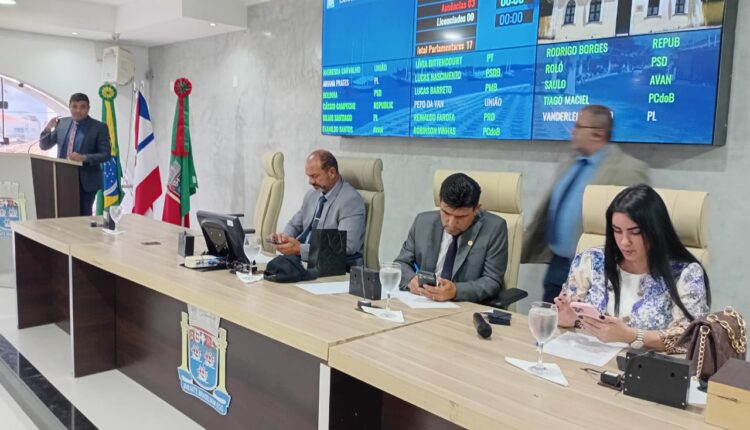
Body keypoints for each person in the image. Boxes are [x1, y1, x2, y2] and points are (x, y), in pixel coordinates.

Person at [555, 184, 710, 353]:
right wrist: (566, 318)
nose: (624, 242)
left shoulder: (685, 273)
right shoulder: (590, 260)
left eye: (635, 232)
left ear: (656, 230)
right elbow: (570, 316)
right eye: (617, 231)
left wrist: (630, 335)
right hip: (587, 357)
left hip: (644, 364)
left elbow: (690, 338)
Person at [522, 105, 650, 304]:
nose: (572, 131)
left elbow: (637, 225)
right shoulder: (570, 163)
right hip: (558, 263)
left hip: (596, 272)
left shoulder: (628, 170)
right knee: (550, 317)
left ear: (598, 134)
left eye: (578, 126)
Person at [395, 173, 508, 304]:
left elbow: (492, 281)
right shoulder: (422, 222)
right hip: (423, 302)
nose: (451, 223)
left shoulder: (494, 228)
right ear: (440, 202)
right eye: (446, 213)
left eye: (461, 217)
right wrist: (411, 280)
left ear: (476, 209)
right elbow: (400, 264)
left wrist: (456, 291)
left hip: (465, 307)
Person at [270, 150, 365, 267]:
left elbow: (346, 246)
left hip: (333, 267)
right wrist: (284, 239)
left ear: (331, 172)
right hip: (303, 262)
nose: (310, 182)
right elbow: (294, 225)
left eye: (315, 176)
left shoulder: (350, 201)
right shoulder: (312, 195)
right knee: (269, 271)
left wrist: (300, 250)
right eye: (309, 176)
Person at [39, 93, 111, 216]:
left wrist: (84, 158)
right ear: (69, 107)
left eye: (82, 107)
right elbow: (44, 146)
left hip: (86, 182)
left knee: (83, 217)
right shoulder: (62, 123)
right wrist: (48, 128)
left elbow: (105, 154)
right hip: (61, 179)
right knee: (62, 215)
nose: (78, 110)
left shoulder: (99, 127)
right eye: (74, 106)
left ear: (88, 108)